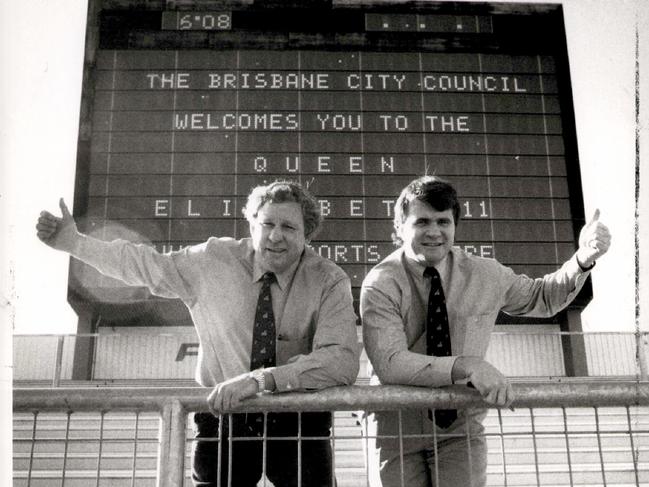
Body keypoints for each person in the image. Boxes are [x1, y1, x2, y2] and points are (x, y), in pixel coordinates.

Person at [36, 180, 360, 487]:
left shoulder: (329, 280)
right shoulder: (212, 259)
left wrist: (261, 380)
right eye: (267, 224)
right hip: (224, 417)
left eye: (289, 227)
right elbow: (143, 264)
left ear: (308, 236)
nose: (275, 236)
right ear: (251, 225)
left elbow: (340, 359)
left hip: (298, 418)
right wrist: (75, 243)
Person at [360, 176, 611, 487]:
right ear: (399, 227)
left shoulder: (485, 272)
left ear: (455, 226)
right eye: (422, 221)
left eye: (443, 221)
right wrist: (468, 365)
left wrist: (582, 260)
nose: (434, 231)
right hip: (395, 423)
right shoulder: (380, 282)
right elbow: (390, 362)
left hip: (459, 425)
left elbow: (542, 298)